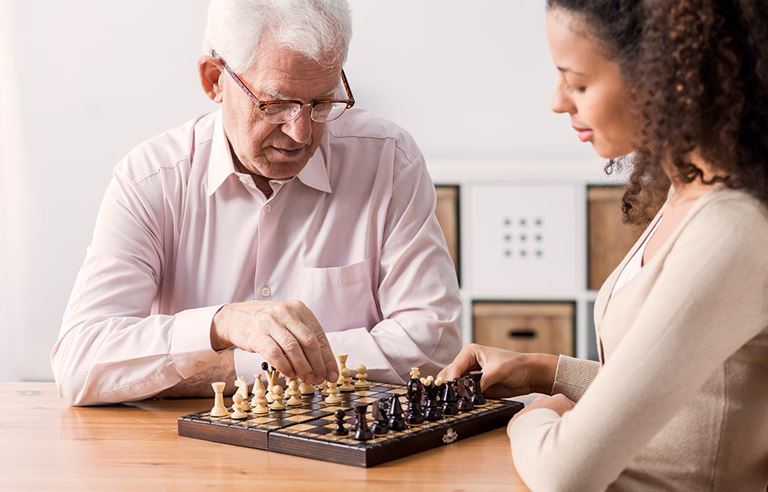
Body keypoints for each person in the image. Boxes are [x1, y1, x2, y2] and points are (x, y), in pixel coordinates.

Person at [51, 0, 461, 406]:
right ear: (214, 80)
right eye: (275, 104)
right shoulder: (153, 178)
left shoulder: (388, 160)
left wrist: (238, 368)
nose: (300, 134)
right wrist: (220, 323)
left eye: (321, 103)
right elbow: (80, 362)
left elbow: (431, 347)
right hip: (189, 461)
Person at [441, 0, 768, 489]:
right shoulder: (688, 192)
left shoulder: (731, 229)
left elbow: (562, 473)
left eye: (577, 82)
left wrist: (533, 415)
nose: (558, 101)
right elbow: (680, 403)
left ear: (665, 75)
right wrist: (546, 371)